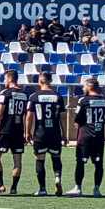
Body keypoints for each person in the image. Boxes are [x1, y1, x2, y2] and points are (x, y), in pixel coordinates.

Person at [68, 77, 105, 197]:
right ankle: (96, 189)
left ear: (89, 87)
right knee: (98, 163)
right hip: (99, 137)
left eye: (84, 86)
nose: (83, 88)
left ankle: (78, 188)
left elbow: (77, 119)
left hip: (85, 137)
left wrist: (79, 123)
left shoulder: (83, 100)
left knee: (80, 162)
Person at [27, 69, 67, 197]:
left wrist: (27, 132)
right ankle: (57, 178)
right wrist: (64, 134)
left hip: (40, 133)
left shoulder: (34, 96)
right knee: (56, 157)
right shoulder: (58, 97)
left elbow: (29, 116)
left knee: (40, 159)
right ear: (51, 80)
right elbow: (62, 118)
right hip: (55, 133)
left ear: (40, 80)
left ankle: (42, 189)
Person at [0, 67, 28, 196]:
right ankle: (14, 188)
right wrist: (26, 132)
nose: (4, 81)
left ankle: (0, 185)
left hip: (5, 130)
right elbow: (26, 115)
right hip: (18, 131)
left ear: (10, 79)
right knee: (17, 160)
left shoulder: (5, 93)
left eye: (5, 78)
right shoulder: (24, 94)